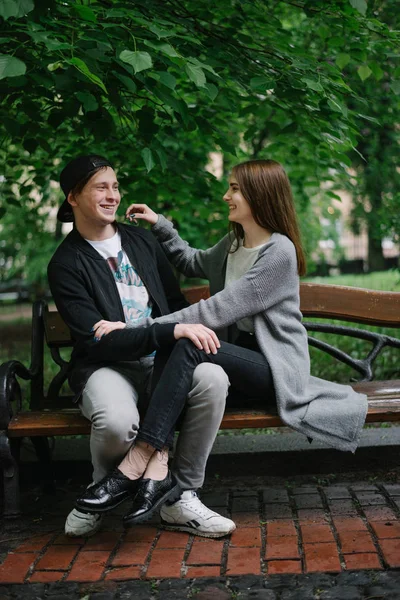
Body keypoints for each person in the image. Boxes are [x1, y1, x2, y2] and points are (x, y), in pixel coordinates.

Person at [89, 159, 368, 478]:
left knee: (188, 340)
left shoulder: (278, 252)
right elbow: (191, 260)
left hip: (273, 366)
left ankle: (145, 452)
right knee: (182, 340)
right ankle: (159, 464)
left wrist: (136, 328)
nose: (226, 196)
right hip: (237, 359)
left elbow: (214, 311)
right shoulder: (235, 244)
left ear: (259, 195)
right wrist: (159, 224)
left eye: (234, 188)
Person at [48, 155, 236, 539]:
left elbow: (173, 302)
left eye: (115, 186)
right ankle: (101, 489)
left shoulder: (141, 241)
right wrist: (168, 331)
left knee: (213, 378)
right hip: (107, 366)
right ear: (73, 197)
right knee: (118, 421)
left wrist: (167, 331)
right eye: (101, 187)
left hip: (164, 360)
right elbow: (98, 342)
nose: (112, 195)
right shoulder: (66, 263)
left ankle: (180, 497)